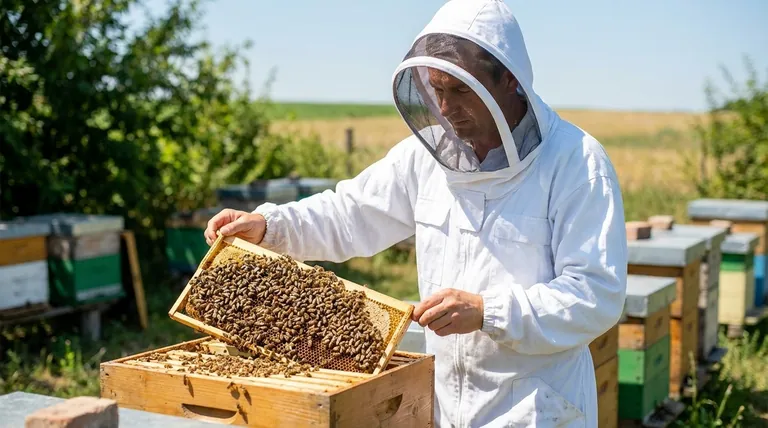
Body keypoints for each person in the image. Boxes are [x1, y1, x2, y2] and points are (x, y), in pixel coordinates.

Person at [204, 0, 627, 426]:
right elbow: (350, 213)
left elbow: (595, 295)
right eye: (437, 90)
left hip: (535, 408)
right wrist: (271, 226)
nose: (445, 108)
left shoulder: (577, 163)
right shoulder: (426, 159)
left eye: (461, 90)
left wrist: (488, 311)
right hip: (443, 403)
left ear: (510, 83)